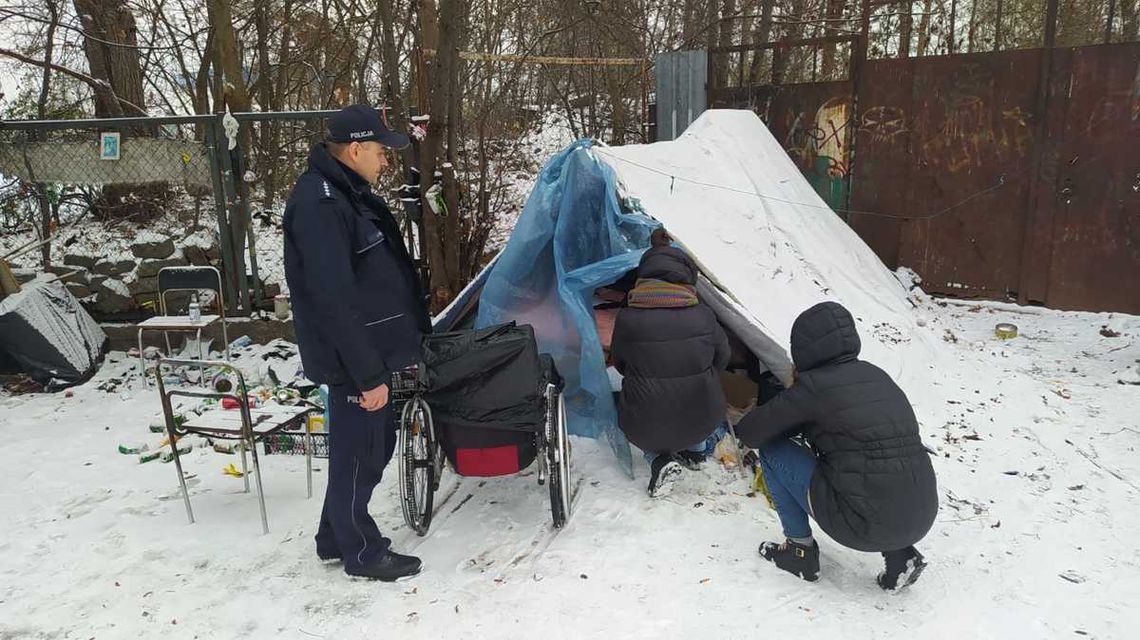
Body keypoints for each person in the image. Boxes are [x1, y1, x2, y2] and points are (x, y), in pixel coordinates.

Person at [284, 104, 431, 581]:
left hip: (366, 350)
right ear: (355, 149)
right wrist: (368, 373)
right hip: (352, 358)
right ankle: (362, 552)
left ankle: (333, 537)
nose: (385, 161)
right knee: (361, 451)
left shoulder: (347, 195)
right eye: (380, 151)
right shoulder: (322, 205)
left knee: (365, 445)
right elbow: (332, 299)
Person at [735, 301, 938, 590]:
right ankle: (901, 555)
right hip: (921, 512)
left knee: (773, 451)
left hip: (860, 525)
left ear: (802, 349)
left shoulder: (814, 388)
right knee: (872, 463)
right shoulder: (877, 375)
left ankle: (799, 550)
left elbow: (751, 433)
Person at [610, 229, 731, 498]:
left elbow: (619, 364)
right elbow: (723, 357)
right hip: (700, 420)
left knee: (632, 404)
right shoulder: (704, 315)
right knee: (700, 407)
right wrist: (702, 376)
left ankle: (659, 460)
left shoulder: (627, 318)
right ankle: (696, 452)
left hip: (644, 426)